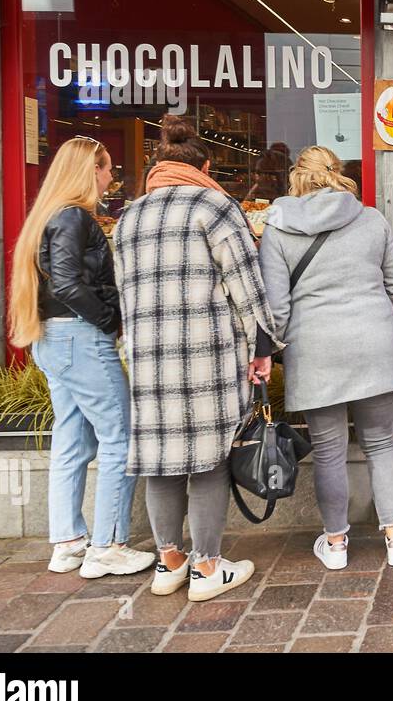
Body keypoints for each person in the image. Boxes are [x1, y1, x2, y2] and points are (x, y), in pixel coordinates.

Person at [113, 115, 284, 602]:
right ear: (205, 166)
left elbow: (124, 293)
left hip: (149, 357)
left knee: (161, 462)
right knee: (209, 460)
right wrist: (263, 348)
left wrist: (132, 350)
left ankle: (170, 563)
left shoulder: (129, 217)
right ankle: (208, 568)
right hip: (208, 354)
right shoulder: (216, 207)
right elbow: (245, 287)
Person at [257, 146, 393, 570]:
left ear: (297, 178)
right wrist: (387, 329)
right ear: (337, 173)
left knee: (328, 451)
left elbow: (277, 307)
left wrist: (289, 345)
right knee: (380, 442)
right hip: (374, 343)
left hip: (316, 351)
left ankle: (336, 543)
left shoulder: (277, 229)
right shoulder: (371, 219)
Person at [9, 136, 154, 579]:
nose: (112, 176)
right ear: (90, 170)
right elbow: (70, 286)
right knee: (120, 437)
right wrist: (111, 320)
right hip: (81, 338)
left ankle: (69, 541)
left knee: (72, 441)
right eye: (107, 168)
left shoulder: (48, 217)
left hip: (52, 339)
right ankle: (109, 545)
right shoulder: (73, 217)